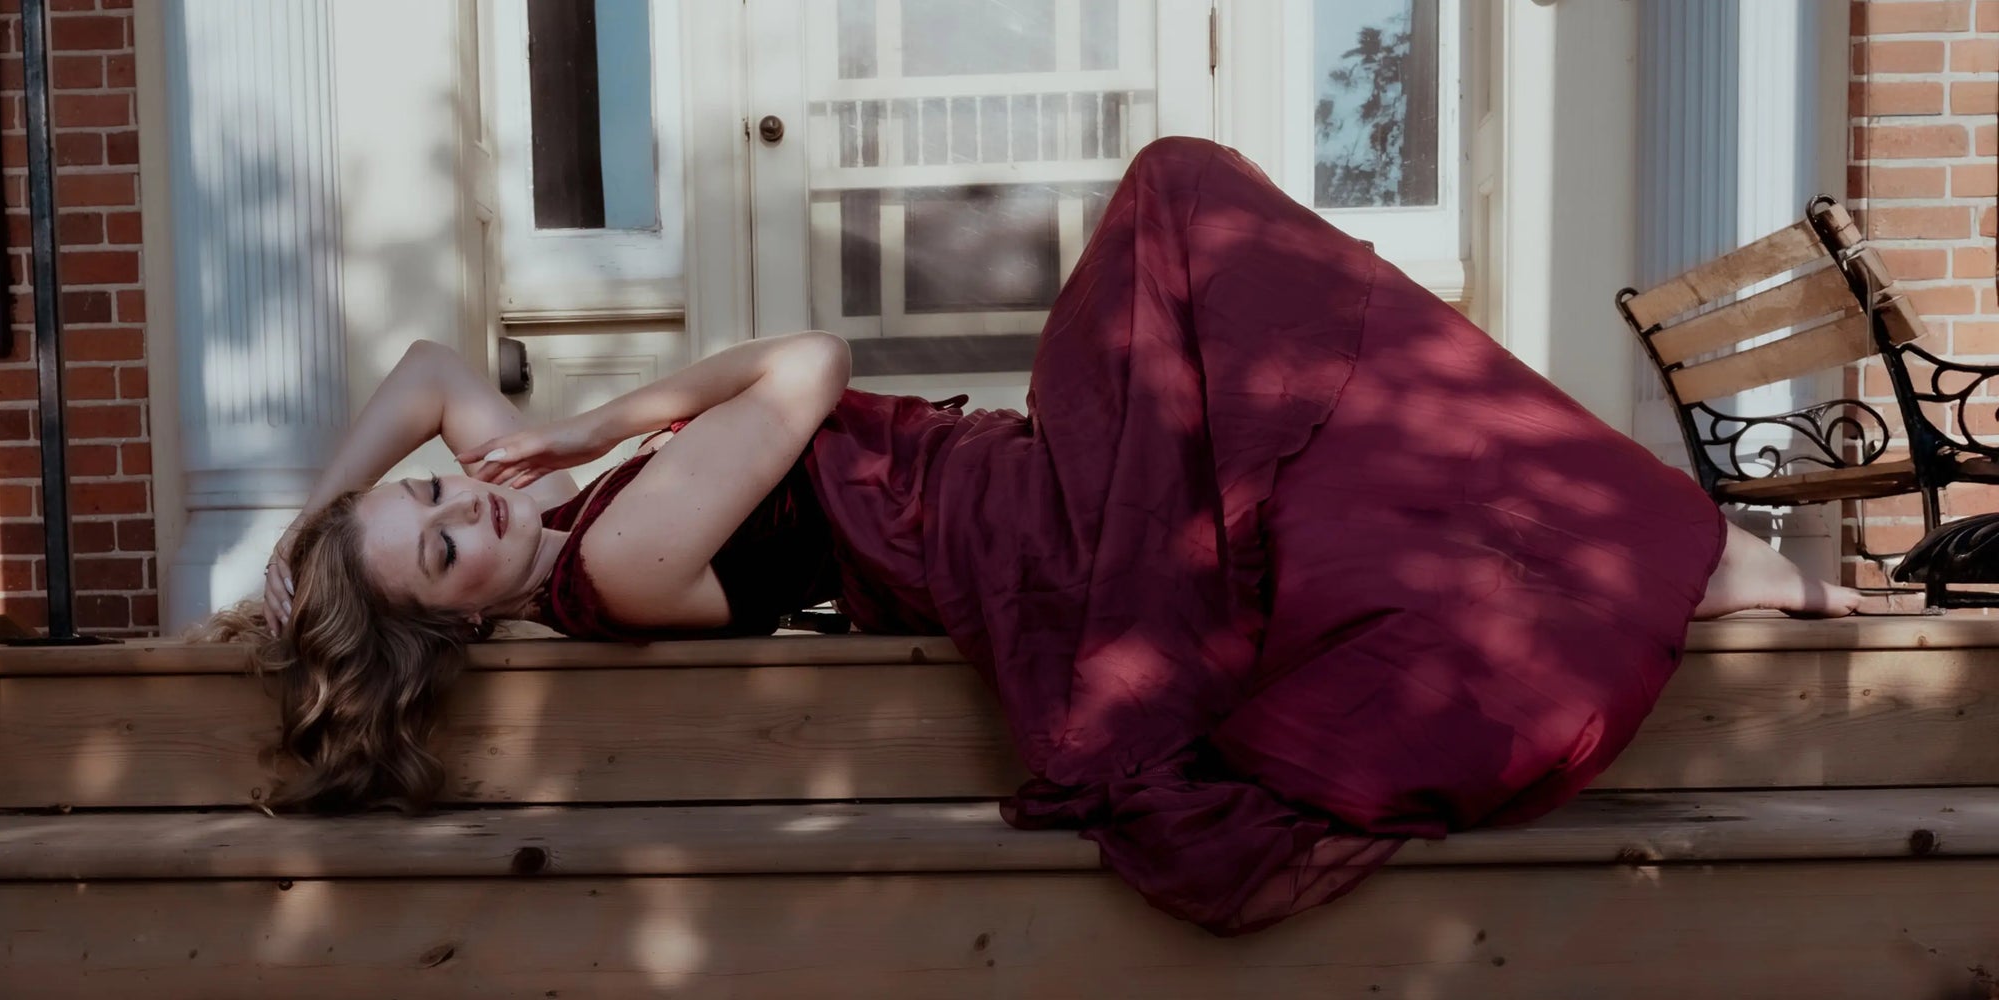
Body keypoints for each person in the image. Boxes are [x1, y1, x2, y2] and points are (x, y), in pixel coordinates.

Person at [201, 137, 1866, 935]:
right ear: (473, 615)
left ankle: (1664, 538)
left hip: (1015, 474)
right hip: (1042, 533)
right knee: (1195, 218)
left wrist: (310, 534)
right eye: (438, 545)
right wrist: (583, 425)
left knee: (1302, 371)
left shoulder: (505, 509)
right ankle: (1668, 547)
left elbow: (425, 372)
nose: (459, 498)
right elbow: (808, 366)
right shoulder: (612, 558)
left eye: (427, 491)